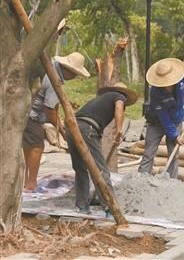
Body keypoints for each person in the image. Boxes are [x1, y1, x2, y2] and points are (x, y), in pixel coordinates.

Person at [66, 82, 137, 214]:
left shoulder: (99, 100)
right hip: (88, 128)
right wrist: (119, 130)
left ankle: (81, 206)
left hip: (72, 127)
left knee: (80, 169)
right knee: (101, 170)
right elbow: (119, 108)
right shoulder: (119, 96)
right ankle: (110, 206)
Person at [23, 52, 90, 191]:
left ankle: (25, 180)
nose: (75, 77)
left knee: (29, 145)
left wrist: (59, 121)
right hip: (32, 115)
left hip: (27, 112)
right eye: (75, 74)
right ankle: (30, 184)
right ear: (68, 70)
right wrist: (59, 127)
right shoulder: (54, 80)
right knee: (36, 147)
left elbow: (55, 104)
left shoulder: (51, 70)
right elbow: (49, 108)